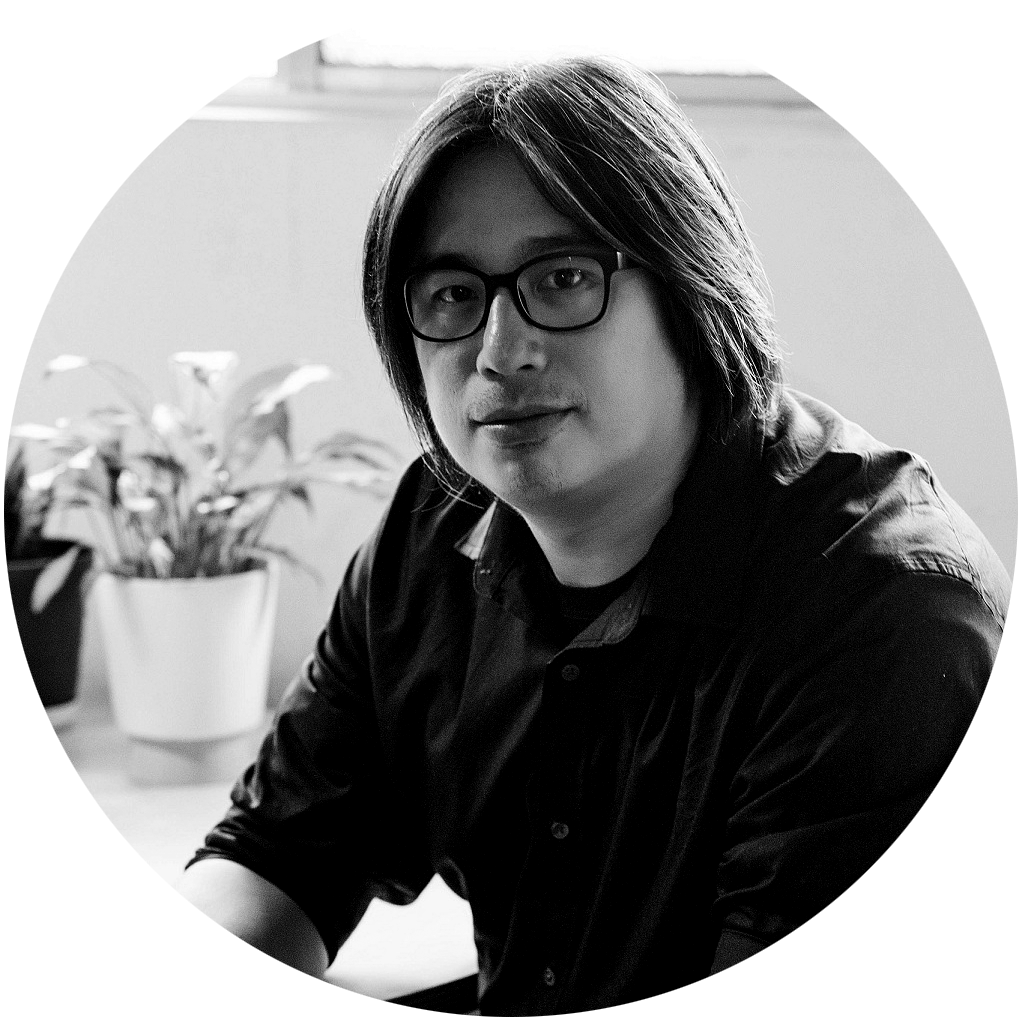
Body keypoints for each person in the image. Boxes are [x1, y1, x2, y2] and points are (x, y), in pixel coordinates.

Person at [177, 56, 1010, 1014]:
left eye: (563, 278)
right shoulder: (435, 525)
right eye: (451, 294)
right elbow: (274, 854)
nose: (500, 351)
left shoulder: (885, 614)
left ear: (690, 287)